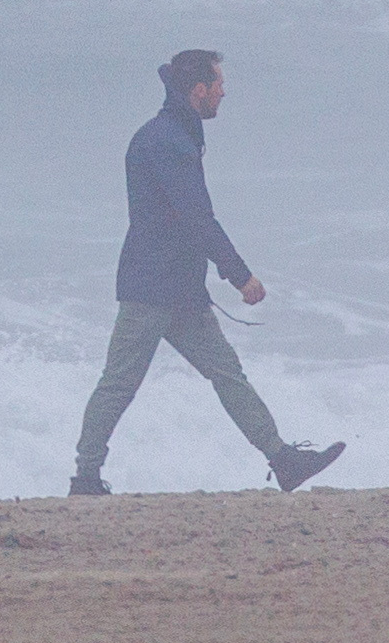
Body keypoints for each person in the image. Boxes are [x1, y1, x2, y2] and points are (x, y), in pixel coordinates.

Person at [71, 49, 345, 496]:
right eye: (218, 84)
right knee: (119, 383)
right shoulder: (166, 141)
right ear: (198, 90)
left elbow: (189, 220)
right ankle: (85, 477)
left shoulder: (178, 133)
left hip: (179, 287)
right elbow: (196, 217)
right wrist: (239, 275)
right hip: (150, 288)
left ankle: (282, 459)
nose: (224, 91)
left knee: (226, 372)